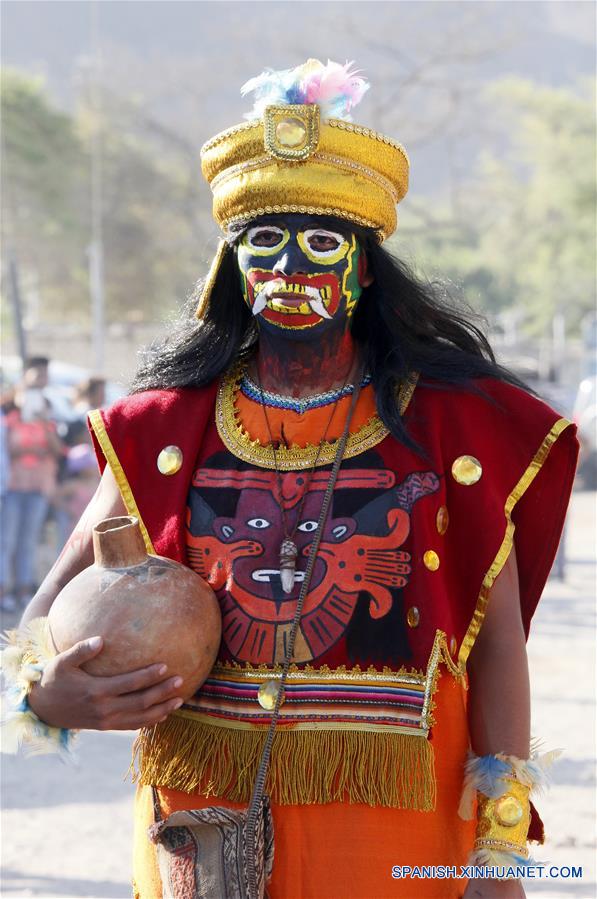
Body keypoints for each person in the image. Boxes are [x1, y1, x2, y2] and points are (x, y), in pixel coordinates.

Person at [15, 61, 578, 898]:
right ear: (232, 266)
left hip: (398, 813)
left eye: (321, 243)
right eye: (262, 242)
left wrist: (500, 849)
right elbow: (44, 611)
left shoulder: (452, 424)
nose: (290, 266)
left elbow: (492, 642)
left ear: (363, 266)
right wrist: (43, 694)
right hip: (204, 811)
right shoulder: (163, 427)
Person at [1, 357, 64, 612]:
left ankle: (24, 590)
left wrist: (43, 425)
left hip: (39, 488)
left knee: (28, 541)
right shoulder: (9, 415)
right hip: (13, 487)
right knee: (7, 541)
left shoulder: (47, 413)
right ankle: (4, 591)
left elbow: (58, 451)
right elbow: (8, 451)